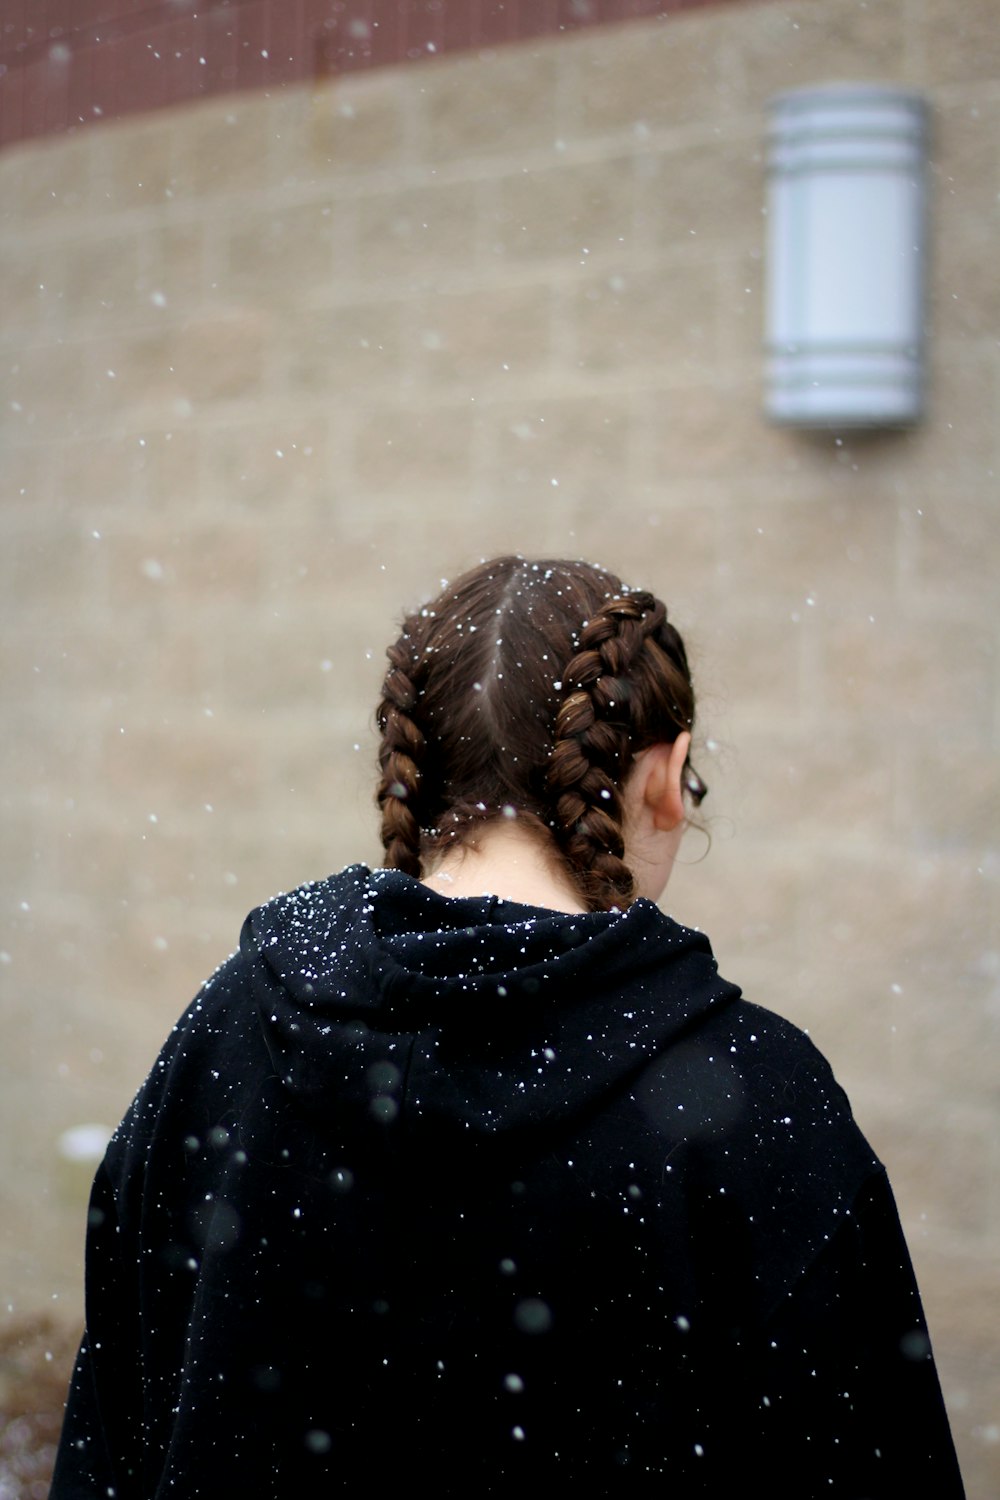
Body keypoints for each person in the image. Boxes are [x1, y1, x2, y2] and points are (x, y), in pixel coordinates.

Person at [52, 555, 964, 1497]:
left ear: (415, 772)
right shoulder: (757, 1102)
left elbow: (111, 1431)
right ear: (666, 774)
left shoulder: (227, 1037)